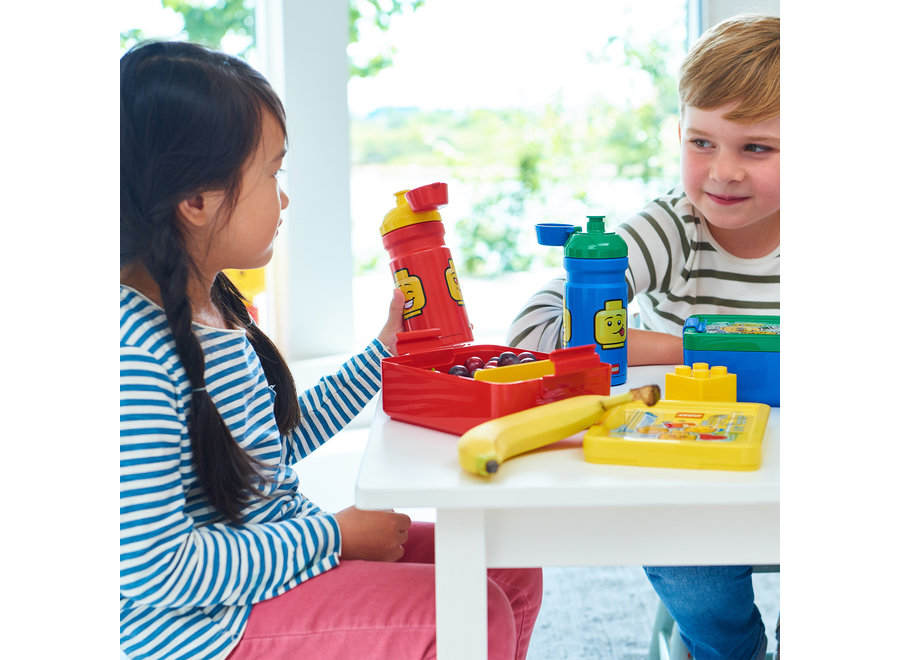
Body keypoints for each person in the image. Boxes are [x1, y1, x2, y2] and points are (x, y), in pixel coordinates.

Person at [120, 41, 542, 660]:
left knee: (507, 566)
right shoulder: (134, 357)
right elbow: (157, 571)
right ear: (197, 201)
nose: (283, 198)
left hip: (267, 563)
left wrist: (382, 352)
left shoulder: (214, 304)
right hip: (204, 627)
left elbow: (264, 451)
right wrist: (333, 537)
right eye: (271, 174)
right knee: (468, 615)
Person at [505, 14, 779, 660]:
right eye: (702, 143)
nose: (723, 172)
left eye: (757, 148)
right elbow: (538, 333)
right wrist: (702, 349)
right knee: (696, 578)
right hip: (692, 486)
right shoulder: (673, 229)